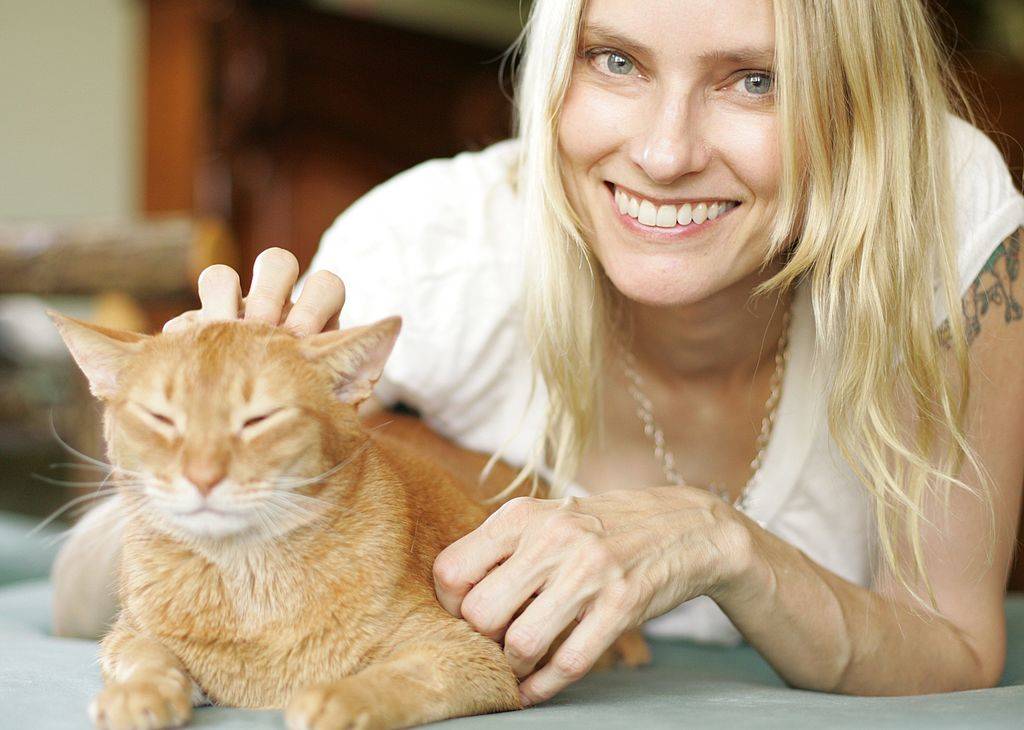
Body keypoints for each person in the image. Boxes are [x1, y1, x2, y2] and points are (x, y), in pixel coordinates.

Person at [55, 0, 1024, 709]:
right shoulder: (427, 250)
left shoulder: (940, 211)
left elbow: (956, 648)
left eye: (756, 80)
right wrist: (169, 422)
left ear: (857, 100)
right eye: (615, 61)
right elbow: (82, 586)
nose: (664, 154)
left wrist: (720, 543)